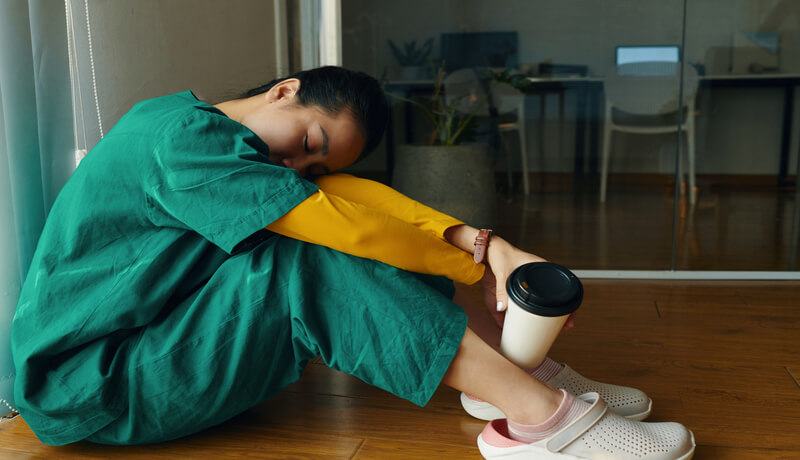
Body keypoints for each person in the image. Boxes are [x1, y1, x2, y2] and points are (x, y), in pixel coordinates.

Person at [11, 66, 695, 459]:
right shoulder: (186, 141)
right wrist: (477, 263)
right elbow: (337, 222)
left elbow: (356, 201)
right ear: (285, 89)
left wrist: (482, 243)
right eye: (308, 140)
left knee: (353, 232)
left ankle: (507, 374)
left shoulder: (220, 143)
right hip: (90, 383)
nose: (299, 164)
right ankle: (541, 425)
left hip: (139, 346)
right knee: (308, 260)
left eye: (314, 162)